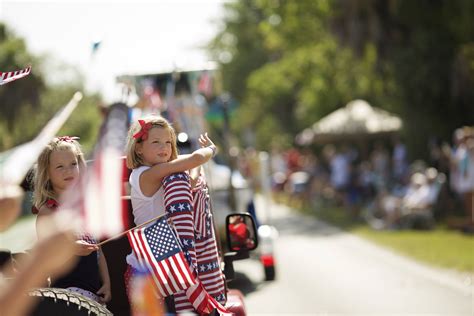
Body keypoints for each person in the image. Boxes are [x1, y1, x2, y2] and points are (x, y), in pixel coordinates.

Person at [124, 115, 227, 314]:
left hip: (168, 262)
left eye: (168, 142)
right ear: (138, 148)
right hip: (150, 269)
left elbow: (192, 177)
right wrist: (211, 149)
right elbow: (195, 159)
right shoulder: (145, 174)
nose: (164, 147)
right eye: (156, 142)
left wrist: (194, 165)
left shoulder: (166, 172)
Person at [32, 136, 111, 304]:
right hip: (68, 294)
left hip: (93, 292)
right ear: (47, 174)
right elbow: (45, 256)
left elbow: (98, 251)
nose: (68, 171)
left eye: (73, 164)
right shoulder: (48, 212)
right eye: (60, 167)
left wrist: (107, 283)